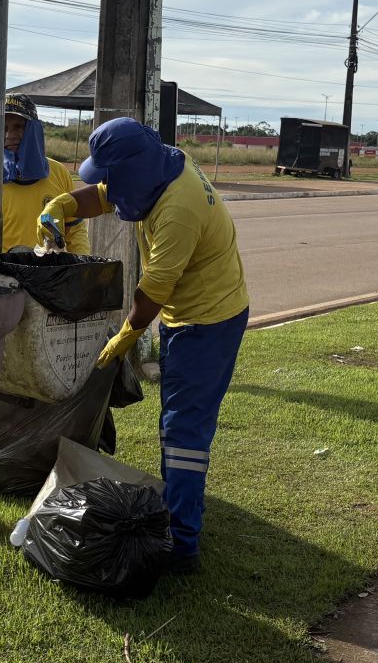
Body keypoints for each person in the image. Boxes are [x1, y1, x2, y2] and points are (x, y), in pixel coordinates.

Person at [37, 117, 249, 573]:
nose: (109, 185)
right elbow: (103, 194)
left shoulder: (179, 209)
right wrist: (62, 205)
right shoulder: (159, 168)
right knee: (177, 422)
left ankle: (182, 545)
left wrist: (127, 335)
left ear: (133, 171)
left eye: (113, 175)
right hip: (186, 315)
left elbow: (153, 290)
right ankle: (179, 512)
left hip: (208, 321)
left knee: (183, 430)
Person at [0, 94, 88, 253]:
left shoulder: (59, 173)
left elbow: (75, 230)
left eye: (18, 127)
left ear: (33, 129)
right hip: (3, 267)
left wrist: (84, 263)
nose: (9, 135)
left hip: (49, 267)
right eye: (3, 128)